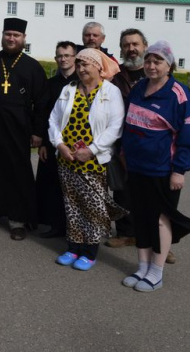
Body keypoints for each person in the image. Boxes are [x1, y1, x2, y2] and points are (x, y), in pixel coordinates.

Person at [121, 40, 190, 292]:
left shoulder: (179, 94)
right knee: (140, 216)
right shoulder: (139, 88)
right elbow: (129, 125)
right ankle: (142, 266)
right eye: (148, 60)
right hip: (136, 167)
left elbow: (188, 135)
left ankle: (156, 272)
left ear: (169, 65)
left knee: (160, 220)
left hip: (163, 170)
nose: (151, 65)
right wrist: (124, 154)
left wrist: (179, 170)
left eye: (157, 61)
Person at [48, 48, 127, 271]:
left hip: (93, 161)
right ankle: (73, 247)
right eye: (79, 64)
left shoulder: (110, 91)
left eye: (86, 64)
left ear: (99, 67)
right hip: (67, 159)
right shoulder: (68, 89)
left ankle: (89, 252)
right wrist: (59, 144)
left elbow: (115, 127)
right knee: (71, 205)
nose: (81, 69)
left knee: (91, 206)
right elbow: (53, 120)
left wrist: (92, 149)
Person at [0, 18, 47, 241]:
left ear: (23, 38)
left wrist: (38, 132)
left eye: (16, 35)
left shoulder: (32, 66)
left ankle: (17, 219)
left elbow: (42, 102)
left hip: (19, 127)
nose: (11, 39)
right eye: (8, 34)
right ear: (3, 36)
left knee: (17, 172)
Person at [106, 28, 147, 249]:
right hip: (121, 141)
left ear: (144, 47)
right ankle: (125, 232)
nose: (131, 49)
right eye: (126, 45)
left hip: (148, 144)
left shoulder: (154, 74)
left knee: (151, 192)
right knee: (121, 189)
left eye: (135, 44)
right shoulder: (116, 77)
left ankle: (155, 240)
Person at [34, 41, 78, 238]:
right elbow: (43, 112)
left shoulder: (83, 81)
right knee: (52, 184)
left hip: (77, 143)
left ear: (75, 57)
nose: (63, 59)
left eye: (67, 55)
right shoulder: (50, 84)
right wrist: (43, 142)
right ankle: (55, 224)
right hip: (53, 142)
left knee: (75, 186)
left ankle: (76, 226)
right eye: (60, 56)